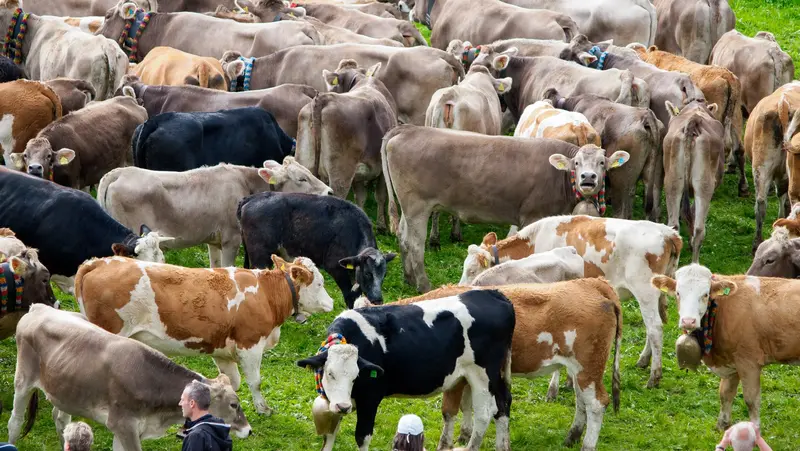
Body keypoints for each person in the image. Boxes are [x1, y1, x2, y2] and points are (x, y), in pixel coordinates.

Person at [178, 380, 233, 451]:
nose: (180, 403)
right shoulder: (220, 429)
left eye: (182, 400)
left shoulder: (196, 437)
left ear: (192, 403)